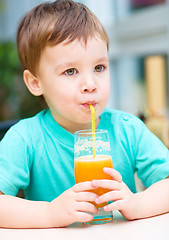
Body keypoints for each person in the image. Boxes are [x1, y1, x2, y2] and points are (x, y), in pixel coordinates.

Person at [0, 0, 169, 228]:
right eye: (70, 71)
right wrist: (50, 213)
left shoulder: (127, 129)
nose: (90, 84)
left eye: (99, 68)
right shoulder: (25, 138)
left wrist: (139, 203)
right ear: (35, 82)